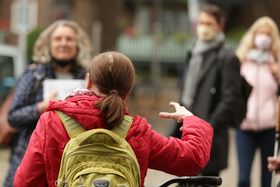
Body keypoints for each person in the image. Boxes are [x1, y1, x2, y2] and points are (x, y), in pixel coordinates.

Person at [13, 51, 213, 187]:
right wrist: (190, 119)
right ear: (128, 90)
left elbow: (25, 181)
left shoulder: (52, 121)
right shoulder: (136, 130)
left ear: (89, 80)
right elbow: (192, 159)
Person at [3, 20, 92, 187]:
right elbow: (13, 116)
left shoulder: (86, 77)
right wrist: (40, 108)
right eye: (58, 39)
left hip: (71, 163)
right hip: (29, 160)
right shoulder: (34, 75)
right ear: (49, 44)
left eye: (69, 39)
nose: (63, 43)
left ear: (78, 44)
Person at [171, 4, 241, 176]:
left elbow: (230, 99)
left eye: (209, 23)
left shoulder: (226, 57)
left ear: (220, 26)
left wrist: (207, 127)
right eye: (201, 22)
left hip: (210, 136)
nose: (203, 27)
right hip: (187, 130)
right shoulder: (194, 52)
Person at [235, 16, 280, 187]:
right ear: (253, 36)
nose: (263, 37)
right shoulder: (242, 61)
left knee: (267, 179)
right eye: (260, 33)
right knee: (243, 179)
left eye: (267, 34)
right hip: (245, 127)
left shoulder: (276, 62)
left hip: (270, 129)